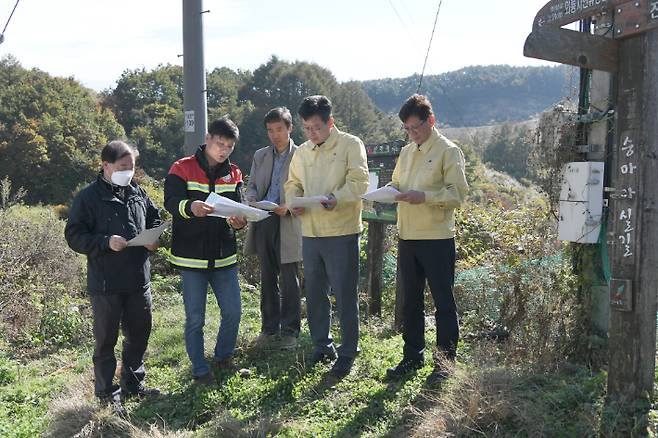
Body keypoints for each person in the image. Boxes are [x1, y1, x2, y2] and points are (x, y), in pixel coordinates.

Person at [65, 140, 161, 409]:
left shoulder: (137, 192)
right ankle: (107, 393)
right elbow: (74, 235)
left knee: (139, 333)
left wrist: (155, 237)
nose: (128, 171)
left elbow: (154, 218)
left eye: (131, 167)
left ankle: (133, 383)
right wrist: (105, 241)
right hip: (106, 283)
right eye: (122, 167)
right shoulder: (88, 198)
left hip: (138, 279)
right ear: (106, 165)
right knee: (106, 339)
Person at [285, 95, 369, 378]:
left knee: (345, 294)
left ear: (330, 122)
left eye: (317, 127)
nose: (311, 133)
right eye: (306, 128)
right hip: (310, 231)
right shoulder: (302, 151)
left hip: (342, 230)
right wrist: (294, 200)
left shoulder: (350, 144)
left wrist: (337, 198)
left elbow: (359, 182)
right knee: (316, 293)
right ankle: (322, 345)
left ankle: (348, 351)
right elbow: (292, 183)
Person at [385, 94, 469, 379]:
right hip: (407, 236)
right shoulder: (407, 152)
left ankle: (445, 364)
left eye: (416, 128)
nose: (412, 134)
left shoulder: (449, 151)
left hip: (436, 238)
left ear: (431, 121)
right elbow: (397, 183)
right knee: (410, 301)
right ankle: (412, 357)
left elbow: (457, 195)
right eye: (407, 129)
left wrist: (425, 197)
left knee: (443, 302)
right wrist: (387, 191)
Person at [164, 117, 247, 385]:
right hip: (192, 257)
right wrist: (190, 208)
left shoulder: (234, 173)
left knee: (233, 311)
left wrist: (239, 222)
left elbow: (239, 207)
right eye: (219, 143)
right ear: (208, 138)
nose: (223, 150)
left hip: (224, 255)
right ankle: (200, 370)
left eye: (229, 146)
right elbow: (171, 202)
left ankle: (223, 357)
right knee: (195, 318)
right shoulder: (182, 168)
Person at [244, 107, 302, 349]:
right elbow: (253, 185)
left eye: (279, 129)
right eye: (270, 130)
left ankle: (290, 331)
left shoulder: (301, 155)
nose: (275, 135)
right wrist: (252, 200)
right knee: (267, 275)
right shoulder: (261, 155)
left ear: (290, 128)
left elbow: (304, 188)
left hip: (288, 218)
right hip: (264, 217)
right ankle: (269, 329)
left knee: (289, 276)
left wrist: (287, 206)